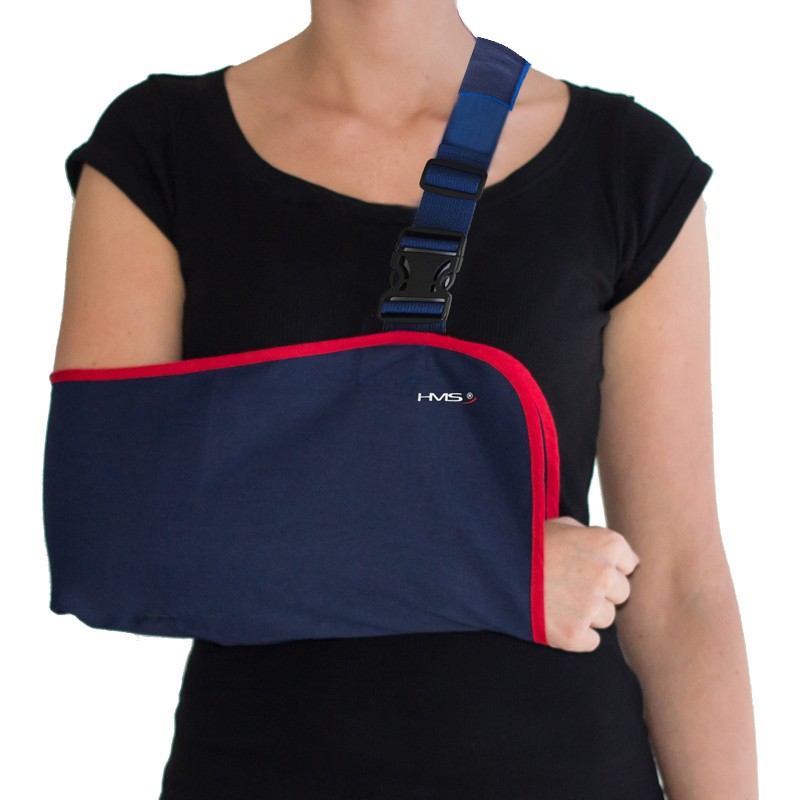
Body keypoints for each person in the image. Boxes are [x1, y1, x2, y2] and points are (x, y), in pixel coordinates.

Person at [52, 1, 758, 797]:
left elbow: (680, 586)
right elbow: (107, 541)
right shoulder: (160, 148)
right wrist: (501, 570)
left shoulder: (628, 168)